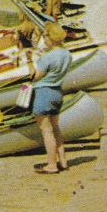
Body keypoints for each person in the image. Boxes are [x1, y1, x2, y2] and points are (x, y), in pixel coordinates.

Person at [30, 23, 73, 174]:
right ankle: (63, 161)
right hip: (57, 92)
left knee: (46, 130)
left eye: (45, 36)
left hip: (44, 93)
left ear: (50, 37)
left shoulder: (47, 57)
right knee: (55, 128)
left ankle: (51, 165)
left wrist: (30, 62)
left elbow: (36, 77)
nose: (44, 40)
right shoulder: (67, 55)